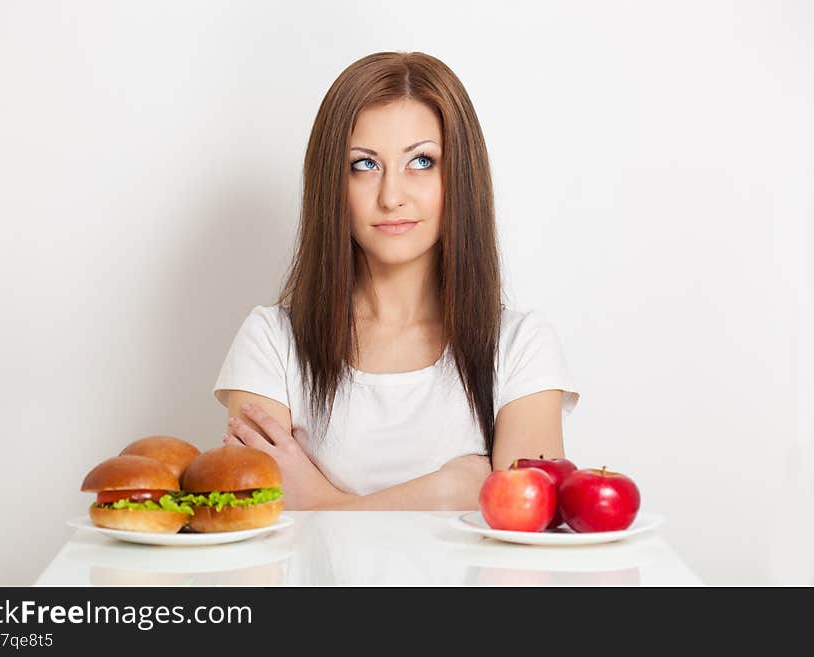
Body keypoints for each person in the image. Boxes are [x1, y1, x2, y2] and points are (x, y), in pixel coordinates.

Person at [213, 51, 580, 511]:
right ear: (331, 183)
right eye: (364, 165)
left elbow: (528, 521)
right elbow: (255, 523)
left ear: (460, 177)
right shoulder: (272, 342)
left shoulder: (520, 346)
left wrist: (320, 503)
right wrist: (447, 491)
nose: (391, 196)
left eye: (421, 162)